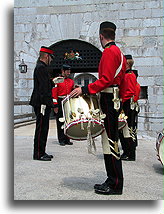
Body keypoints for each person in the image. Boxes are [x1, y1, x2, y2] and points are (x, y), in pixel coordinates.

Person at [70, 21, 126, 195]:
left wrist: (84, 89)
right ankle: (111, 179)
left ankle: (115, 183)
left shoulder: (110, 52)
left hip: (109, 100)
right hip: (112, 99)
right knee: (108, 141)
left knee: (110, 142)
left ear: (101, 36)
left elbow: (106, 79)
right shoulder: (119, 52)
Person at [29, 46, 55, 161]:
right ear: (46, 56)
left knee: (44, 128)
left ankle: (42, 151)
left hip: (42, 102)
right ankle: (38, 153)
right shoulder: (41, 68)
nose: (51, 60)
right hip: (41, 103)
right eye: (51, 58)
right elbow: (43, 88)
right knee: (41, 128)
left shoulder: (41, 67)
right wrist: (45, 103)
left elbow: (45, 84)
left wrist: (52, 82)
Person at [119, 55, 138, 161]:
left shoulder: (129, 75)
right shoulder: (127, 75)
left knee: (127, 129)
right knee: (124, 129)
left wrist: (121, 100)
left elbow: (130, 92)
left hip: (127, 104)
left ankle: (129, 153)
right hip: (125, 103)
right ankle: (127, 151)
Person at [52, 64, 74, 146]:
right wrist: (55, 105)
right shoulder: (57, 80)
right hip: (60, 101)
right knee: (60, 120)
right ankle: (61, 139)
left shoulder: (71, 81)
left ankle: (67, 138)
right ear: (63, 71)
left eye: (69, 71)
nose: (69, 73)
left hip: (68, 101)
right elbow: (54, 93)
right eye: (67, 71)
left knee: (68, 120)